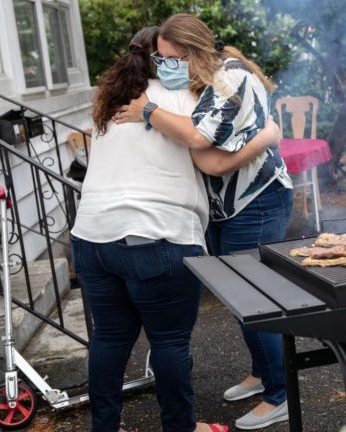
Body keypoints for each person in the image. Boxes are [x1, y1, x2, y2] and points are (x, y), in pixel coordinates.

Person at [72, 26, 281, 432]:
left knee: (109, 339)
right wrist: (268, 135)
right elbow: (209, 160)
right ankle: (181, 427)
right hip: (158, 236)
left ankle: (105, 427)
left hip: (91, 237)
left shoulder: (110, 102)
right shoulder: (186, 98)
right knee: (168, 341)